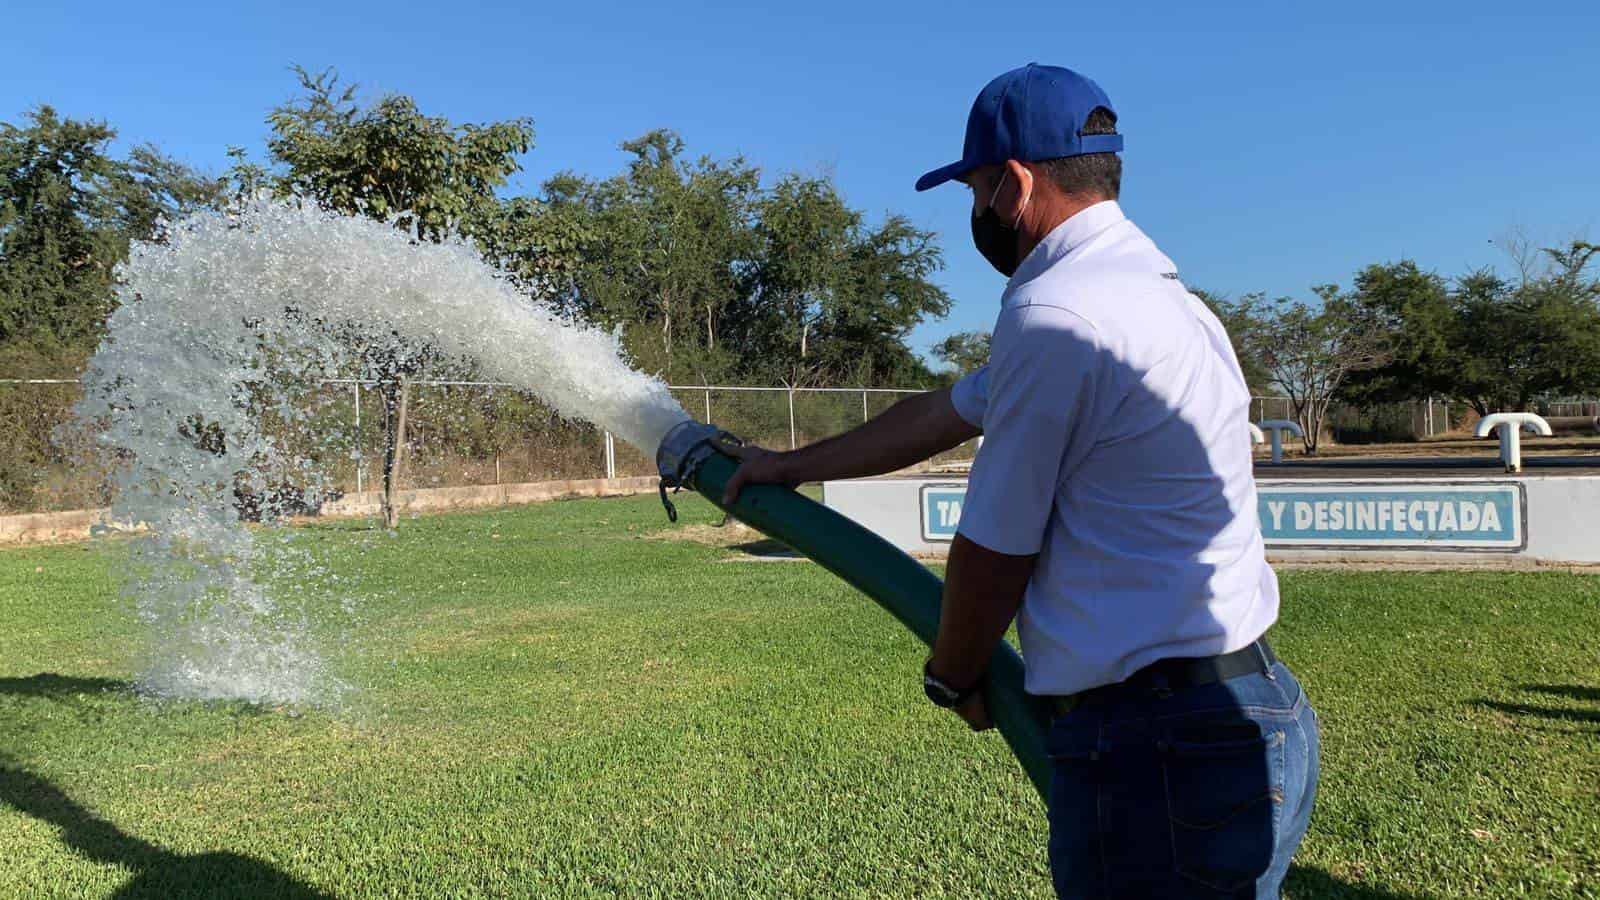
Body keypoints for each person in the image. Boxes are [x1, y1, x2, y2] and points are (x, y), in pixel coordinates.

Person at [723, 63, 1319, 898]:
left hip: (1161, 747)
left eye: (974, 192)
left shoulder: (1058, 316)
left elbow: (994, 548)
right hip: (1255, 709)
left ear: (1013, 184)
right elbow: (943, 413)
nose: (977, 216)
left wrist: (955, 671)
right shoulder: (1163, 300)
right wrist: (788, 466)